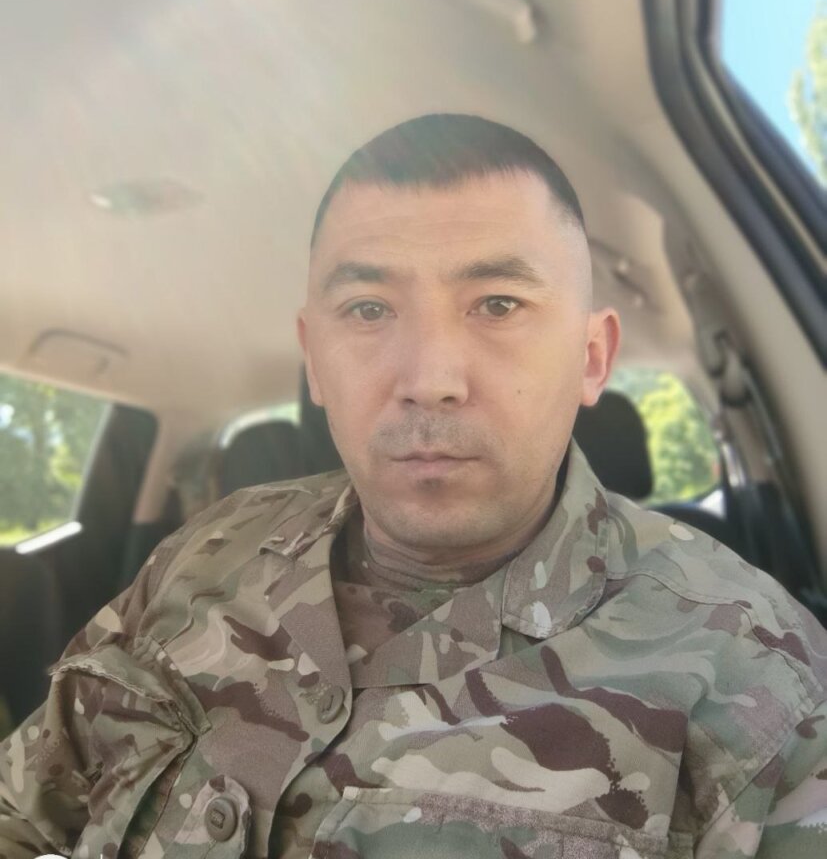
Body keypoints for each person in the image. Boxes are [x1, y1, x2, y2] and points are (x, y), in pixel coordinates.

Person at [1, 114, 825, 859]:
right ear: (313, 358)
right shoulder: (205, 555)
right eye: (367, 310)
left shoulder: (759, 688)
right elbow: (24, 808)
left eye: (497, 304)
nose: (429, 378)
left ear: (590, 357)